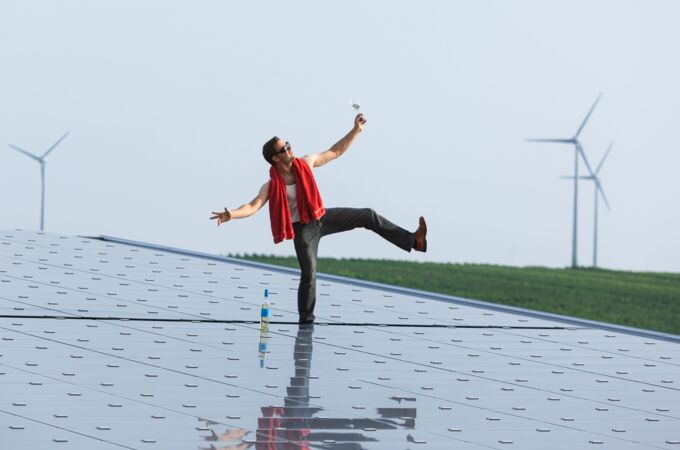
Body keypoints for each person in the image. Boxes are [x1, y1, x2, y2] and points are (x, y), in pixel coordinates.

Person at [210, 113, 427, 324]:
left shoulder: (306, 163)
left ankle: (413, 241)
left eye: (289, 144)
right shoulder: (271, 186)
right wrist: (231, 215)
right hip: (303, 230)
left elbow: (335, 151)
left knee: (367, 215)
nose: (289, 148)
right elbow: (253, 205)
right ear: (276, 158)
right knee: (309, 274)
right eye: (284, 148)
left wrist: (356, 131)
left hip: (321, 216)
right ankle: (306, 322)